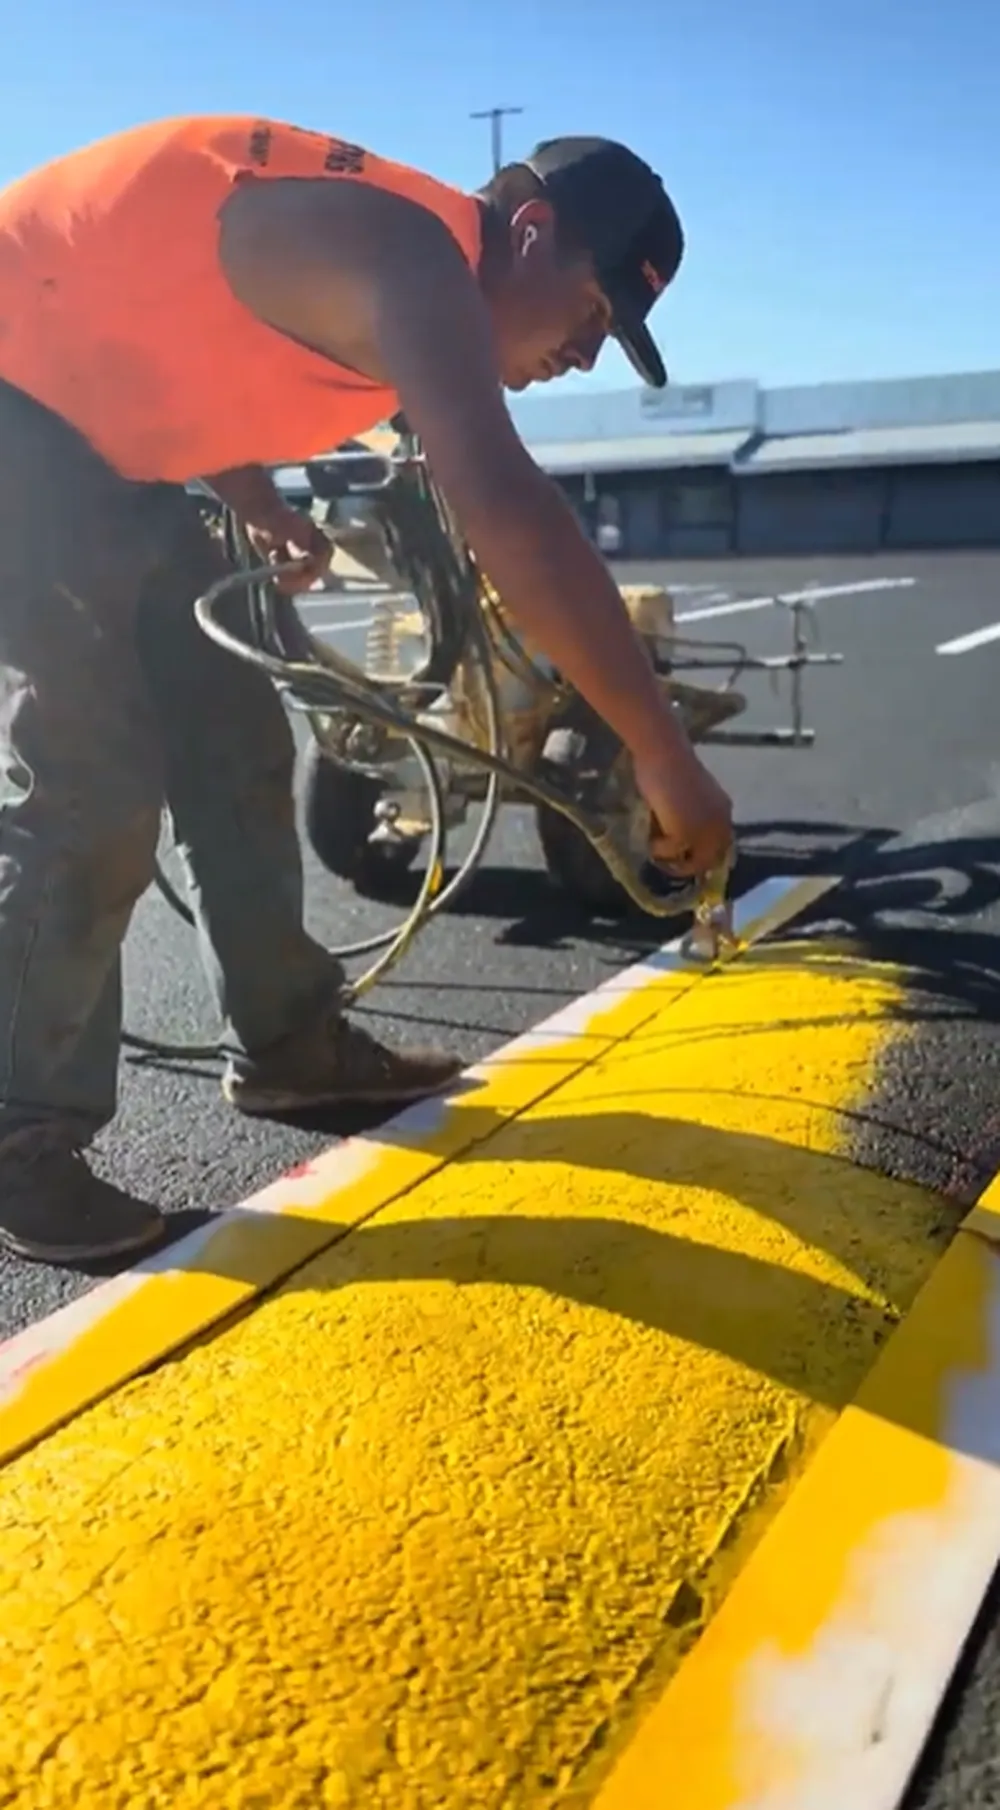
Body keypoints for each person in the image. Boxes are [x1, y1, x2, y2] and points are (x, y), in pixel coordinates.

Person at [0, 116, 733, 1264]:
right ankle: (17, 1141)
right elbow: (505, 507)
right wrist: (660, 750)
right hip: (22, 415)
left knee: (238, 747)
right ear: (529, 231)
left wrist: (254, 500)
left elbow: (162, 327)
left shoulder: (388, 269)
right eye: (594, 312)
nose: (587, 355)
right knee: (94, 782)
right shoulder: (413, 258)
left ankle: (288, 1046)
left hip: (101, 429)